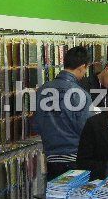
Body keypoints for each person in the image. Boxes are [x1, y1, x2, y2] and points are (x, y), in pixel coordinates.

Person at [33, 46, 93, 181]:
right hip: (75, 158)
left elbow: (36, 125)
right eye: (86, 69)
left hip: (51, 159)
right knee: (75, 193)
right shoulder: (81, 94)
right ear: (82, 67)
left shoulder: (42, 90)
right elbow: (87, 130)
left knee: (54, 192)